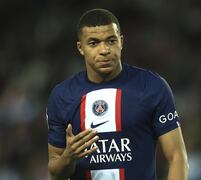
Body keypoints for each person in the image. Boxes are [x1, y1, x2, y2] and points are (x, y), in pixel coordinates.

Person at [46, 8, 189, 180]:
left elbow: (177, 157)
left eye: (111, 41)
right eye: (93, 43)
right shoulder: (62, 95)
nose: (104, 49)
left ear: (121, 42)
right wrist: (68, 157)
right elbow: (55, 174)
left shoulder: (152, 87)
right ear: (80, 47)